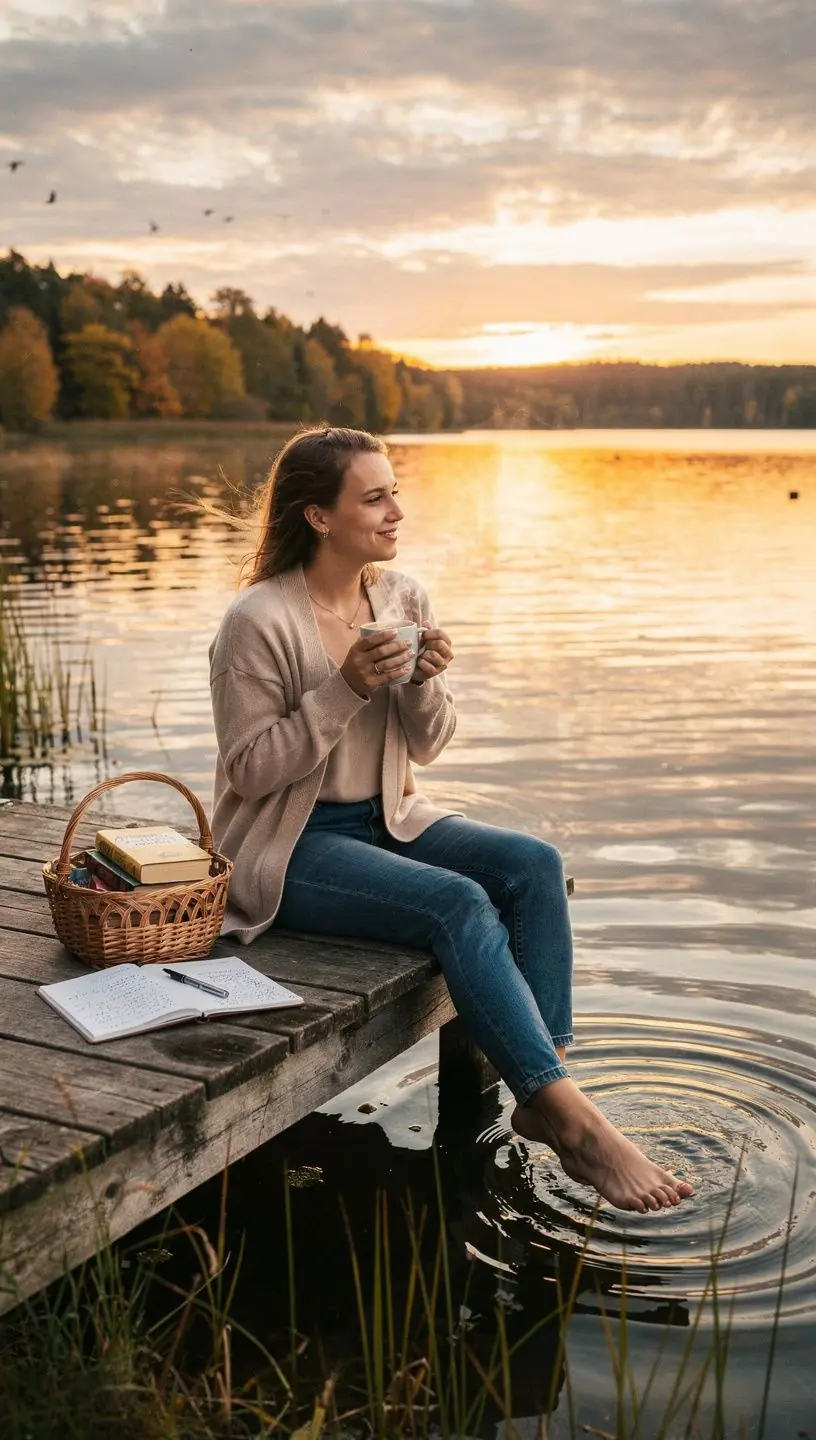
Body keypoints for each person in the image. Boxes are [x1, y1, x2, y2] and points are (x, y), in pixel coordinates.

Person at [209, 425, 694, 1214]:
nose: (397, 510)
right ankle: (579, 1126)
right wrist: (343, 688)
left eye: (395, 490)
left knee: (532, 864)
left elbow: (429, 746)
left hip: (392, 819)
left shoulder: (400, 597)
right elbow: (248, 770)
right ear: (319, 517)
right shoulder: (258, 621)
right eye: (375, 497)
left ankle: (544, 1093)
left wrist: (424, 684)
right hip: (293, 847)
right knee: (459, 903)